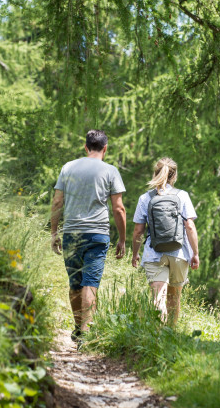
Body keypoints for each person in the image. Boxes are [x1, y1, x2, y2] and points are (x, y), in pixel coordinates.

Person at [50, 130, 127, 340]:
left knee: (75, 283)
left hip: (72, 234)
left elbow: (57, 202)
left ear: (86, 147)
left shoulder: (68, 167)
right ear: (105, 149)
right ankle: (85, 332)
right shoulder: (110, 171)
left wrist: (54, 232)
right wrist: (122, 239)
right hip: (98, 235)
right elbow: (118, 209)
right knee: (90, 283)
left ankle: (77, 328)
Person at [130, 157, 199, 326]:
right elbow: (189, 226)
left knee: (158, 298)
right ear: (174, 176)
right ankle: (171, 337)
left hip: (155, 254)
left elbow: (138, 230)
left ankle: (158, 339)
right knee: (174, 299)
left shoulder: (145, 198)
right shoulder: (182, 196)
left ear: (155, 173)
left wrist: (135, 253)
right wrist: (195, 254)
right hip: (179, 253)